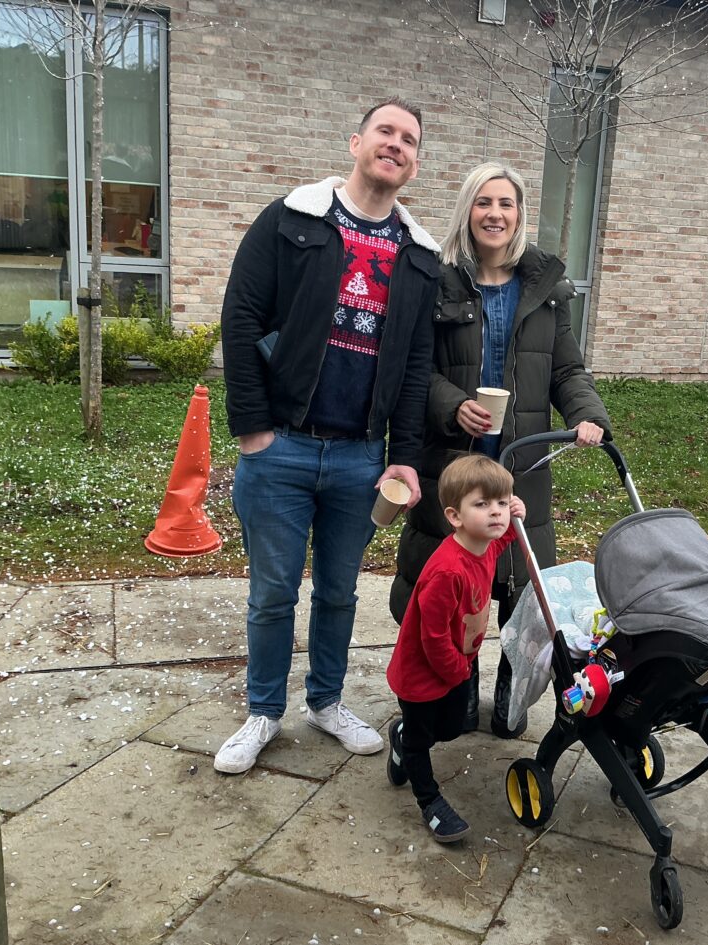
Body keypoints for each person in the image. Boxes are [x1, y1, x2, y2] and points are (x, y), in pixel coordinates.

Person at [214, 97, 440, 774]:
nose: (395, 144)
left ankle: (326, 701)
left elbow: (416, 366)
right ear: (355, 143)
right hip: (280, 446)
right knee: (272, 593)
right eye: (384, 131)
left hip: (360, 459)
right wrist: (253, 430)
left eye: (409, 139)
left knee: (339, 593)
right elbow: (241, 316)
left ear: (415, 164)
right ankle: (263, 711)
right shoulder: (292, 219)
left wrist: (403, 458)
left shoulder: (419, 256)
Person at [389, 162, 611, 738]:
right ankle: (455, 689)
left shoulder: (547, 291)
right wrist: (452, 404)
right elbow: (415, 369)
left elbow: (567, 370)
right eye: (483, 202)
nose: (495, 214)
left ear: (519, 213)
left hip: (522, 464)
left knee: (521, 591)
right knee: (451, 590)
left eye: (506, 203)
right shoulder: (438, 282)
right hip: (455, 463)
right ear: (468, 210)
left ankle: (512, 696)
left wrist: (587, 415)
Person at [385, 455, 527, 841]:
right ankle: (429, 800)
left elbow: (503, 540)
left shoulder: (484, 547)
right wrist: (457, 673)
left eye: (502, 502)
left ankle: (401, 736)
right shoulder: (448, 571)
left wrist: (518, 516)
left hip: (454, 666)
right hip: (423, 672)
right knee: (421, 742)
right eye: (482, 504)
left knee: (448, 728)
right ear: (455, 516)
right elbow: (431, 637)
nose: (496, 512)